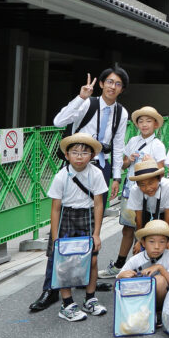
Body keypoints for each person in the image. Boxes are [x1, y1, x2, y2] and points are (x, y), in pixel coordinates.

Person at [35, 133, 108, 320]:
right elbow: (55, 208)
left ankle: (90, 299)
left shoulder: (96, 173)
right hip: (66, 215)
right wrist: (55, 236)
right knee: (64, 262)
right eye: (74, 152)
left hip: (88, 215)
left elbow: (99, 204)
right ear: (67, 155)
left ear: (92, 156)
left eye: (84, 152)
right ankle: (67, 304)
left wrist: (97, 233)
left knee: (92, 259)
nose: (79, 156)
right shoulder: (61, 176)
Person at [100, 106, 166, 279]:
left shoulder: (157, 145)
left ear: (155, 124)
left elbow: (162, 170)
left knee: (144, 229)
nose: (144, 125)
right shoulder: (133, 141)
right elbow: (123, 165)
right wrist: (128, 160)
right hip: (130, 190)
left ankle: (142, 266)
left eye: (148, 121)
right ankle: (120, 265)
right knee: (127, 229)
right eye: (141, 121)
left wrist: (150, 162)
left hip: (148, 192)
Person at [52, 68, 129, 206]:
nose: (112, 87)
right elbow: (58, 122)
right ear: (101, 84)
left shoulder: (121, 112)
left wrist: (116, 177)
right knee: (70, 207)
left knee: (98, 211)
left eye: (118, 84)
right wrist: (81, 97)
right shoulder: (87, 103)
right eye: (109, 82)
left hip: (102, 165)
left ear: (122, 89)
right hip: (78, 162)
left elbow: (118, 145)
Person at [105, 160, 169, 275]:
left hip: (164, 214)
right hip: (146, 214)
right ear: (138, 184)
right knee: (139, 248)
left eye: (151, 183)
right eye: (142, 185)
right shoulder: (135, 190)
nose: (148, 188)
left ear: (159, 179)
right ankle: (139, 275)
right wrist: (140, 241)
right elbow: (138, 219)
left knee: (167, 245)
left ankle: (168, 274)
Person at [117, 219, 169, 318]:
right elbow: (116, 287)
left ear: (167, 242)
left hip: (164, 297)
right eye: (151, 241)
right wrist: (121, 276)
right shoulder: (135, 259)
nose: (157, 246)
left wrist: (160, 268)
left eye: (162, 242)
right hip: (141, 298)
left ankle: (158, 312)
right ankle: (138, 311)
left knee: (159, 280)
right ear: (143, 243)